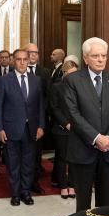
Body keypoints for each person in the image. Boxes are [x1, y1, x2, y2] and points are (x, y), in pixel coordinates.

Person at [63, 37, 109, 211]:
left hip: (108, 149)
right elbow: (73, 114)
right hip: (83, 148)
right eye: (96, 56)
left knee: (106, 201)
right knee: (83, 202)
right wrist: (97, 138)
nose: (100, 59)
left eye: (103, 56)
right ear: (85, 58)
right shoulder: (72, 80)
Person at [0, 49, 46, 206]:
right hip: (11, 129)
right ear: (13, 61)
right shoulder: (4, 80)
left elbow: (41, 106)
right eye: (19, 59)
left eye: (25, 59)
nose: (23, 62)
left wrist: (41, 126)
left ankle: (26, 192)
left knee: (29, 163)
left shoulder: (36, 80)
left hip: (31, 129)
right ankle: (15, 194)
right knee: (13, 163)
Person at [49, 58, 78, 199]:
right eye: (70, 73)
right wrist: (66, 123)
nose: (73, 76)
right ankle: (63, 186)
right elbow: (54, 108)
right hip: (61, 128)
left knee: (74, 158)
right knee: (61, 158)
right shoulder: (56, 86)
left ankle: (72, 185)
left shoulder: (80, 86)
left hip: (77, 129)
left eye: (75, 73)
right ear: (64, 73)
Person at [25, 42, 49, 193]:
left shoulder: (45, 72)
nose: (33, 55)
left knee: (35, 154)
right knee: (22, 153)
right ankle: (22, 184)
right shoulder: (15, 71)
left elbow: (47, 96)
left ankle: (34, 182)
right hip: (19, 120)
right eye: (30, 52)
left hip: (38, 121)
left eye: (36, 52)